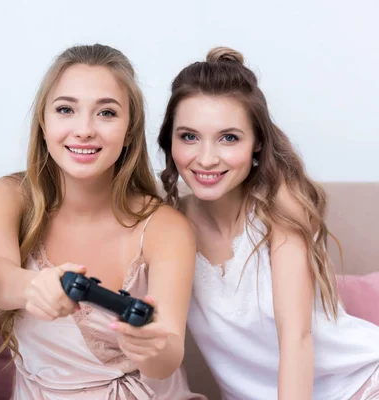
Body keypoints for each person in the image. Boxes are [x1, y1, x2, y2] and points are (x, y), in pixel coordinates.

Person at [0, 43, 205, 399]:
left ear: (130, 129)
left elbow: (168, 356)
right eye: (66, 109)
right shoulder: (10, 196)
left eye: (106, 113)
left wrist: (150, 345)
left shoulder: (165, 227)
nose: (84, 130)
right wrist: (33, 286)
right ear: (44, 120)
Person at [157, 46, 379, 400]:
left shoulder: (280, 206)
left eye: (229, 137)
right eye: (189, 136)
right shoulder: (167, 227)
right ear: (170, 141)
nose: (207, 158)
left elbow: (297, 340)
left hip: (359, 384)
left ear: (257, 143)